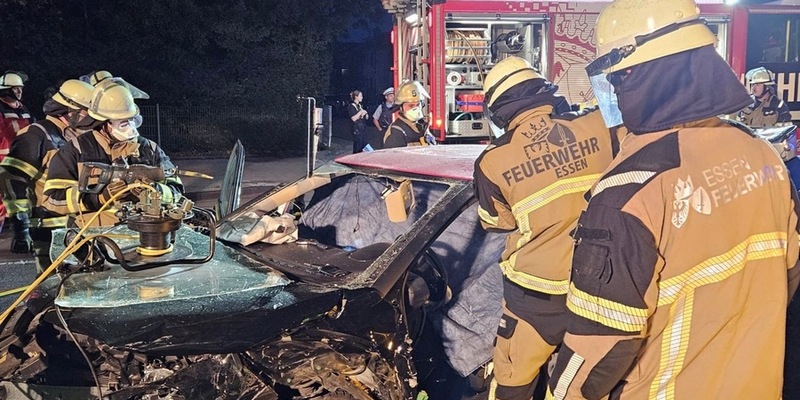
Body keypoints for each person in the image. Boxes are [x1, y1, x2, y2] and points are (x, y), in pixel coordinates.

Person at [546, 0, 800, 398]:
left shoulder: (629, 193)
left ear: (634, 75)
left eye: (617, 79)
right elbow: (787, 276)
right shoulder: (760, 154)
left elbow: (600, 342)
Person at [472, 56, 622, 400]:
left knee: (513, 375)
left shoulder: (493, 160)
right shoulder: (597, 125)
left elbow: (497, 223)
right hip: (600, 286)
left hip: (535, 296)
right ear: (544, 91)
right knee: (580, 384)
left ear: (498, 110)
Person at [43, 81, 183, 227]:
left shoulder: (149, 149)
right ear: (103, 123)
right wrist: (99, 197)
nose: (129, 126)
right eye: (122, 122)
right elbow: (53, 200)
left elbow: (177, 190)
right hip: (95, 239)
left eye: (131, 119)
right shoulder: (76, 150)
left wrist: (156, 191)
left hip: (145, 235)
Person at [0, 79, 94, 272]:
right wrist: (21, 226)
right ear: (70, 111)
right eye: (87, 111)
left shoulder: (77, 136)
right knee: (52, 282)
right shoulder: (37, 135)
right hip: (49, 227)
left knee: (85, 280)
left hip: (81, 223)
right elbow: (12, 177)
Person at [0, 71, 34, 232]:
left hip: (21, 161)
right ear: (6, 90)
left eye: (20, 88)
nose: (19, 92)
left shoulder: (23, 108)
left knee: (18, 198)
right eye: (15, 89)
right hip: (3, 161)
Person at [383, 81, 437, 149]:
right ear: (401, 107)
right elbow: (395, 158)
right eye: (411, 106)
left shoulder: (422, 126)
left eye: (417, 105)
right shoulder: (396, 132)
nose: (415, 108)